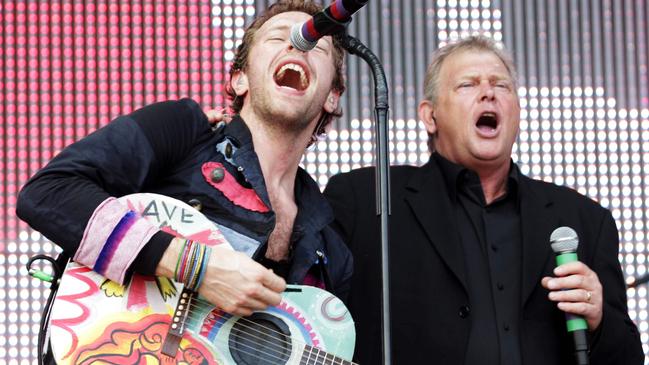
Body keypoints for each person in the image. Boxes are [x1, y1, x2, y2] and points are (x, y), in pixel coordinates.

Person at [17, 0, 352, 362]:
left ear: (332, 96)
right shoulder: (185, 133)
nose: (297, 45)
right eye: (277, 38)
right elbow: (49, 193)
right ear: (239, 79)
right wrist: (198, 267)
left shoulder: (329, 249)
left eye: (316, 45)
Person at [323, 36, 643, 364]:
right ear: (430, 116)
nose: (488, 92)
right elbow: (312, 318)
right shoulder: (366, 200)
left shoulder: (584, 220)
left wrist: (599, 318)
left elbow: (629, 358)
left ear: (517, 111)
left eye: (501, 85)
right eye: (468, 84)